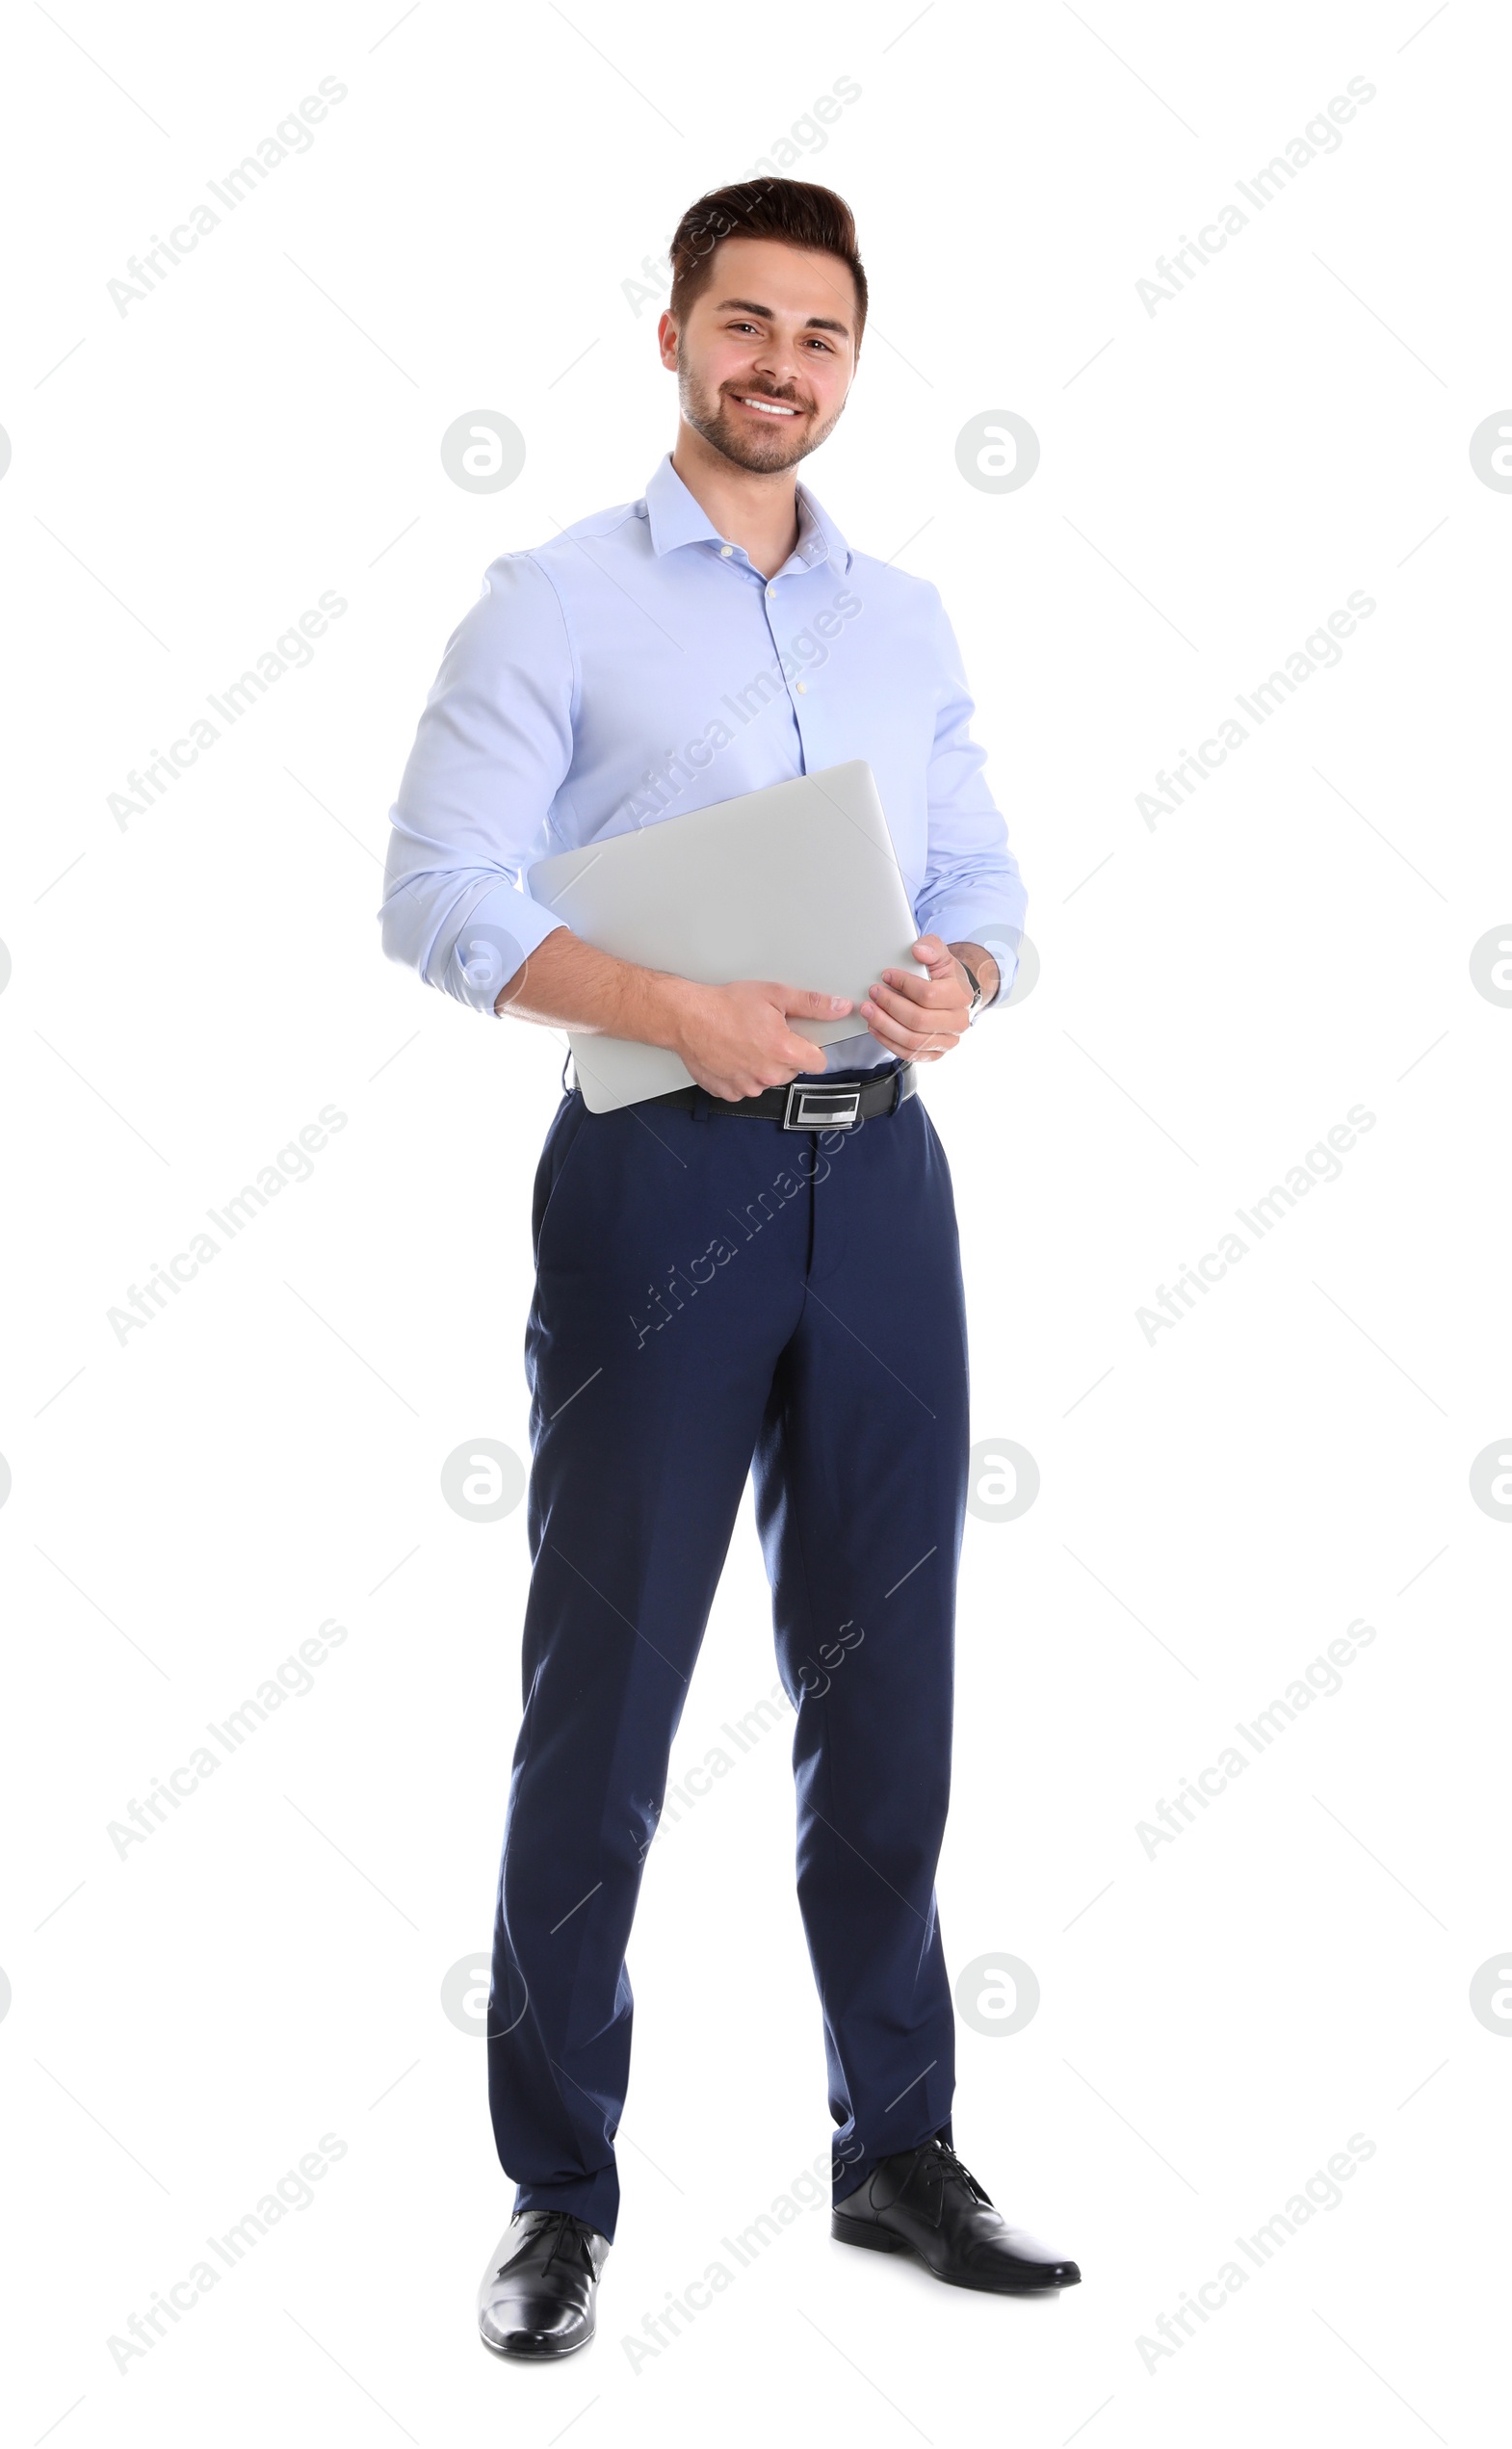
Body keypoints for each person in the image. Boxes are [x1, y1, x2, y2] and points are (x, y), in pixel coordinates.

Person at [378, 176, 1080, 2360]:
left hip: (880, 1187)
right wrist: (676, 1005)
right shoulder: (552, 605)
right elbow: (435, 895)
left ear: (853, 365)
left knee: (885, 1681)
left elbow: (978, 871)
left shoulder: (906, 618)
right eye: (747, 323)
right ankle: (555, 2191)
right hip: (656, 1185)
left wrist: (965, 963)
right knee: (602, 1700)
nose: (783, 364)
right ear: (673, 333)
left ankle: (894, 2146)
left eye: (823, 336)